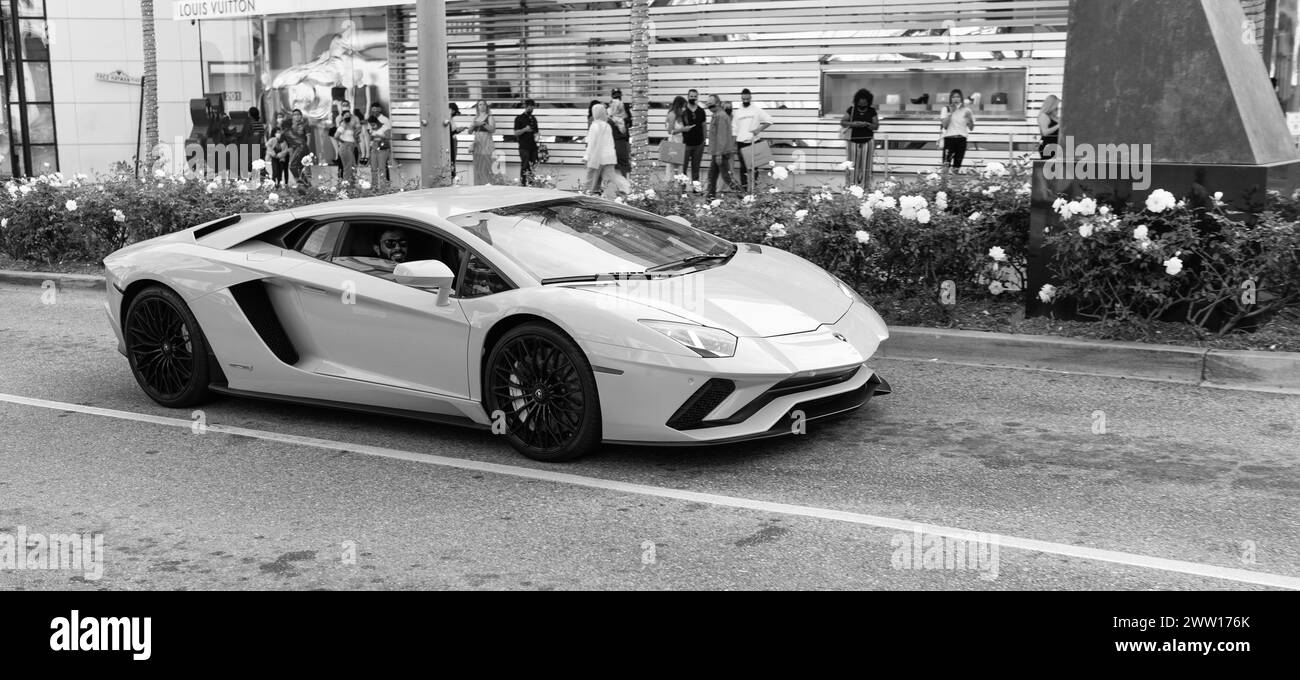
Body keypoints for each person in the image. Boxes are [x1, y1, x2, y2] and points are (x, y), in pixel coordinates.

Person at [333, 228, 412, 282]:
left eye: (403, 242)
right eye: (390, 243)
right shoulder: (366, 272)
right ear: (377, 249)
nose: (398, 247)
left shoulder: (414, 268)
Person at [585, 103, 629, 199]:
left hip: (597, 158)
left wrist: (587, 157)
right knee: (608, 181)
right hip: (609, 158)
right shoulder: (607, 125)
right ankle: (612, 200)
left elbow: (591, 144)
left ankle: (587, 201)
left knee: (591, 181)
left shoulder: (594, 126)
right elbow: (610, 143)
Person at [732, 88, 772, 192]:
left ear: (750, 98)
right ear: (741, 98)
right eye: (743, 99)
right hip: (741, 143)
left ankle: (755, 191)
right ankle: (745, 191)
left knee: (754, 168)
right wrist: (734, 144)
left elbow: (769, 120)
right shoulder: (738, 112)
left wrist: (759, 129)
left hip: (753, 142)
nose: (745, 101)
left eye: (747, 99)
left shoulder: (756, 110)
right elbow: (734, 129)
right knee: (743, 169)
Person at [841, 88, 879, 189]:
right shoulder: (851, 109)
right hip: (852, 141)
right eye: (860, 104)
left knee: (867, 165)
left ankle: (866, 187)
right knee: (852, 165)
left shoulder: (872, 111)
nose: (862, 106)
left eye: (864, 104)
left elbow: (876, 126)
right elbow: (843, 122)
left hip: (867, 140)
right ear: (857, 101)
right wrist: (854, 124)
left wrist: (867, 124)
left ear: (868, 102)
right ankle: (850, 186)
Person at [705, 94, 738, 199]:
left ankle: (744, 197)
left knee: (726, 177)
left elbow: (721, 137)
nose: (710, 107)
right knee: (712, 176)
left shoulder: (721, 116)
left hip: (720, 153)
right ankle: (709, 199)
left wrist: (718, 154)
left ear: (718, 103)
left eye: (712, 104)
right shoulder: (717, 115)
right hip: (718, 152)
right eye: (708, 104)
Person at [940, 88, 975, 174]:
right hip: (949, 139)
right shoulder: (946, 109)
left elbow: (971, 128)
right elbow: (945, 125)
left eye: (958, 97)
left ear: (961, 98)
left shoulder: (967, 110)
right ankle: (943, 186)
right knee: (945, 164)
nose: (955, 99)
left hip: (961, 140)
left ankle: (954, 186)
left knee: (957, 166)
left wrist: (969, 118)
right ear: (950, 99)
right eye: (953, 97)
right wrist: (951, 113)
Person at [681, 89, 707, 184]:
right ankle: (682, 190)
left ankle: (696, 189)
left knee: (696, 168)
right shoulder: (683, 111)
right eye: (691, 96)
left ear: (697, 97)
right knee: (683, 168)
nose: (693, 98)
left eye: (695, 96)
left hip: (698, 144)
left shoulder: (701, 111)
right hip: (685, 144)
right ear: (688, 97)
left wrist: (704, 140)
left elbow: (704, 126)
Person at [283, 108, 313, 187]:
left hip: (304, 150)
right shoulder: (291, 127)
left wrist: (307, 151)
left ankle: (308, 186)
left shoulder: (305, 125)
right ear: (292, 117)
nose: (296, 116)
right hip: (294, 150)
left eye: (298, 114)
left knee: (306, 169)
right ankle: (303, 185)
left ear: (301, 116)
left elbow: (308, 138)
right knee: (297, 168)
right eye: (295, 115)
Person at [514, 99, 541, 186]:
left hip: (533, 146)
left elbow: (536, 131)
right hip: (524, 146)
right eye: (528, 106)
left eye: (532, 106)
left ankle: (531, 183)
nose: (530, 108)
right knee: (525, 165)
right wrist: (525, 129)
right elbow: (516, 133)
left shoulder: (534, 118)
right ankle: (523, 183)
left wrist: (537, 135)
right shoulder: (519, 118)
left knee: (533, 166)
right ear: (525, 107)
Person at [663, 95, 690, 181]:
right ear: (678, 106)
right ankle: (671, 189)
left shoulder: (680, 116)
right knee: (672, 168)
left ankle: (678, 189)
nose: (684, 109)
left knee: (678, 169)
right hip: (673, 143)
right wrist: (683, 129)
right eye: (683, 106)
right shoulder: (672, 114)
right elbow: (670, 131)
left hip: (679, 143)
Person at [469, 99, 495, 185]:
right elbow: (469, 131)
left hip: (487, 144)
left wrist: (483, 124)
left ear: (486, 106)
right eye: (480, 104)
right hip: (478, 144)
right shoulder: (475, 118)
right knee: (478, 167)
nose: (482, 106)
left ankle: (488, 184)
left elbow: (492, 129)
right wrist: (473, 125)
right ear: (477, 107)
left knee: (487, 166)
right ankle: (478, 185)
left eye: (483, 104)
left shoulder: (489, 117)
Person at [333, 108, 361, 183]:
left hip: (351, 147)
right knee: (348, 167)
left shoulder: (351, 126)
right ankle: (347, 186)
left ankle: (352, 185)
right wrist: (344, 142)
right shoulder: (343, 125)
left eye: (349, 115)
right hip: (345, 147)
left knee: (353, 166)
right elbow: (336, 136)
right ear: (343, 117)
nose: (348, 117)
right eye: (346, 115)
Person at [609, 88, 632, 177]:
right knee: (619, 163)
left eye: (618, 95)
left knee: (622, 163)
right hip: (615, 140)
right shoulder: (610, 108)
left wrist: (623, 121)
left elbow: (630, 121)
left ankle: (623, 184)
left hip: (621, 139)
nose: (617, 98)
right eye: (615, 96)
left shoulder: (624, 107)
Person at [366, 116, 393, 189]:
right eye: (371, 124)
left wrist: (380, 136)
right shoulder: (372, 128)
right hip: (374, 149)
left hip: (382, 149)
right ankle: (374, 186)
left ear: (377, 122)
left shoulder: (385, 127)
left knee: (381, 168)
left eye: (373, 124)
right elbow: (371, 139)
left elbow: (389, 137)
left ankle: (383, 186)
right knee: (373, 168)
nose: (372, 126)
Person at [1038, 94, 1061, 160]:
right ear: (1051, 105)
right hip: (1048, 147)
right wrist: (1058, 125)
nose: (1057, 108)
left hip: (1057, 147)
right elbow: (1045, 132)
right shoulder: (1044, 116)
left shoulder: (1054, 117)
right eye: (1056, 106)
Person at [447, 102, 465, 181]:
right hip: (450, 140)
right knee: (451, 158)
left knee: (453, 158)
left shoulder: (451, 119)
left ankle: (453, 175)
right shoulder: (447, 120)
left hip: (454, 140)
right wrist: (457, 130)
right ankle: (451, 175)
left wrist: (457, 130)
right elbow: (447, 133)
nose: (452, 112)